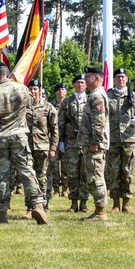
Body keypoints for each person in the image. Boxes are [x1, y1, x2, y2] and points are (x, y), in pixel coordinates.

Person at [0, 63, 48, 224]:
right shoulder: (21, 89)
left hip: (0, 138)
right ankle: (37, 204)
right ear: (6, 73)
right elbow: (31, 104)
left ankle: (2, 212)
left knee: (2, 175)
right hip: (19, 135)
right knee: (27, 171)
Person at [106, 68, 135, 214]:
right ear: (114, 80)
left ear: (126, 79)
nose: (121, 79)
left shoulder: (134, 97)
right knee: (113, 172)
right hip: (113, 139)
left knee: (127, 171)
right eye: (118, 77)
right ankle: (115, 203)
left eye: (123, 77)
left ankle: (126, 203)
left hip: (128, 139)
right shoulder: (108, 96)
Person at [78, 66, 110, 221]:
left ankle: (101, 211)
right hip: (91, 143)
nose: (85, 79)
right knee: (92, 176)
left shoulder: (97, 96)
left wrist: (95, 142)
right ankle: (99, 209)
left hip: (94, 145)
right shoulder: (94, 95)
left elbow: (99, 122)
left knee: (95, 176)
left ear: (97, 78)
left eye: (88, 76)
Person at [24, 79, 57, 215]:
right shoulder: (23, 107)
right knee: (28, 177)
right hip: (26, 147)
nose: (33, 92)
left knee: (42, 178)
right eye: (30, 89)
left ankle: (42, 205)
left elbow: (54, 129)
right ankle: (30, 207)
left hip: (42, 147)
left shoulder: (48, 107)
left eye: (35, 89)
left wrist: (53, 148)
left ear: (39, 90)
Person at [59, 74, 89, 213]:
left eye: (83, 82)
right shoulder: (67, 101)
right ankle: (73, 203)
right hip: (71, 143)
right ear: (73, 85)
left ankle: (84, 203)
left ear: (86, 85)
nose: (80, 85)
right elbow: (61, 122)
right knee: (72, 173)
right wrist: (61, 141)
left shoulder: (91, 100)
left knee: (85, 173)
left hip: (87, 143)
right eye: (78, 82)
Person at [48, 82, 67, 197]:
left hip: (66, 138)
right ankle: (56, 189)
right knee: (54, 165)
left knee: (65, 164)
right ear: (55, 92)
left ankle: (65, 188)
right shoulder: (50, 105)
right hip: (53, 139)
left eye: (63, 89)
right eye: (59, 90)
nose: (61, 92)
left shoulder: (69, 105)